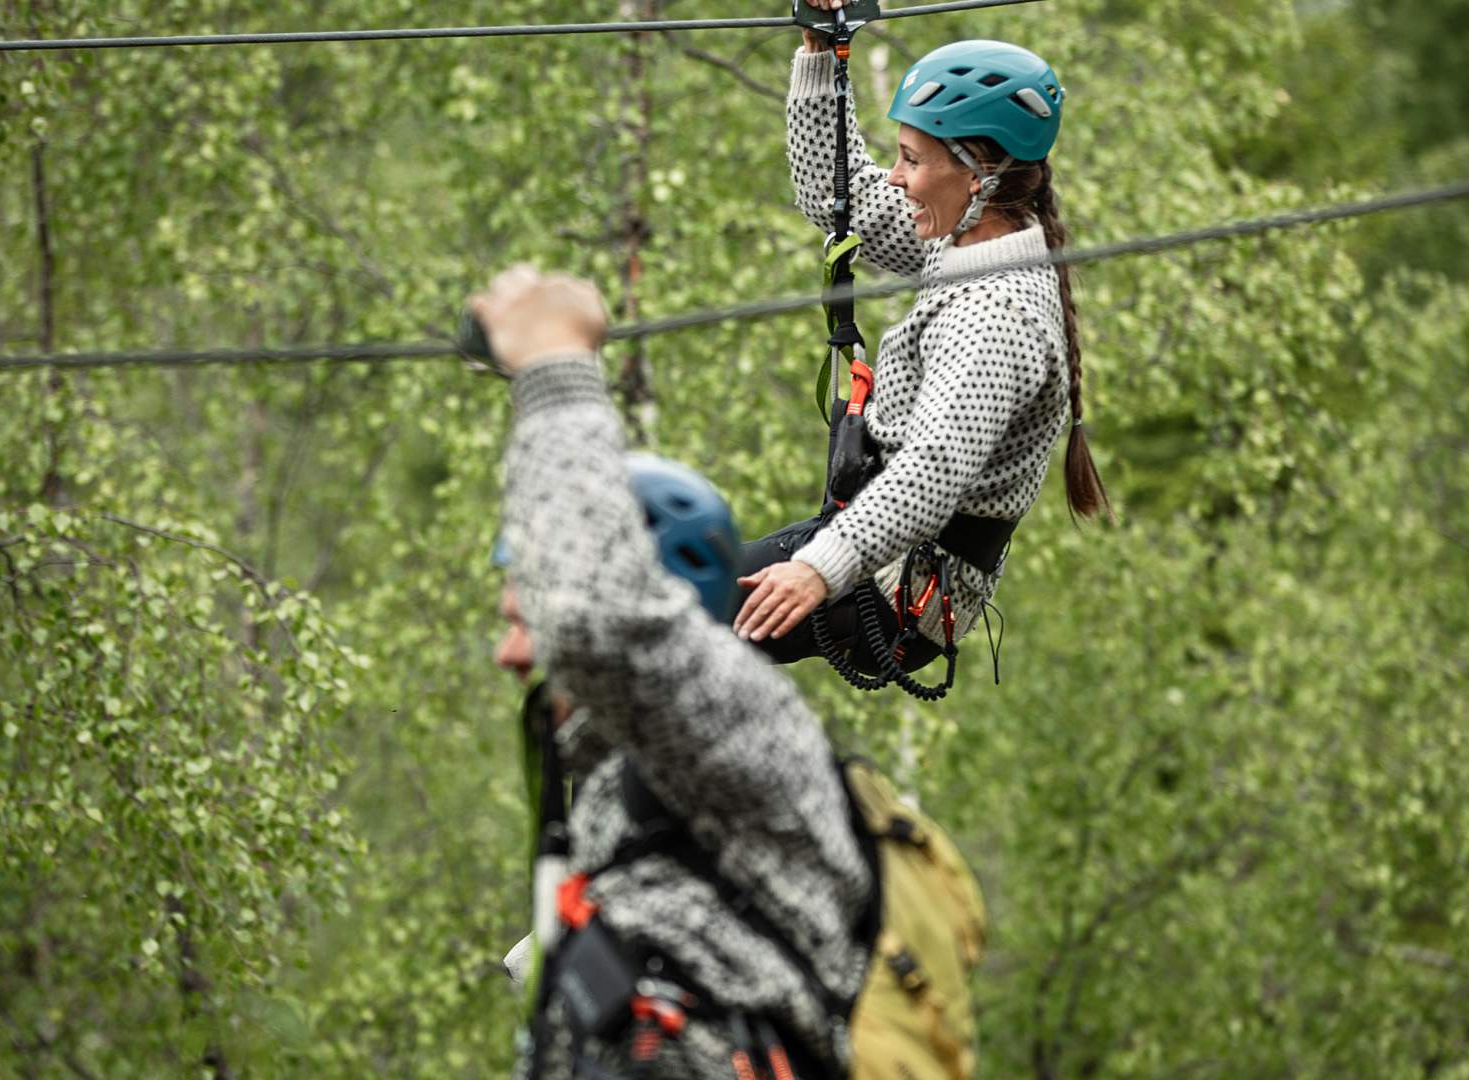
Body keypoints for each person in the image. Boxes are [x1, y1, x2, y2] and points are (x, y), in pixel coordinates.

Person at [474, 266, 873, 1079]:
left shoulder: (739, 722)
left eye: (523, 624)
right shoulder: (622, 786)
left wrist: (555, 364)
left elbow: (598, 619)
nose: (509, 655)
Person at [732, 8, 1109, 680]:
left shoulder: (995, 317)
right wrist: (820, 49)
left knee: (669, 612)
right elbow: (839, 196)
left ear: (978, 173)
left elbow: (932, 470)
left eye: (910, 159)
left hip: (896, 585)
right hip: (878, 550)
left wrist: (817, 571)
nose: (895, 176)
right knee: (667, 601)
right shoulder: (968, 238)